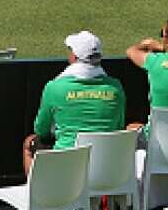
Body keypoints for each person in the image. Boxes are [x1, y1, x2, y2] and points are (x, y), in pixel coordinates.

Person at [24, 31, 126, 174]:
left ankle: (35, 194)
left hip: (66, 169)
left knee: (29, 143)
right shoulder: (116, 88)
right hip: (106, 170)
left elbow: (41, 130)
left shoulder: (54, 87)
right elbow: (118, 127)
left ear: (74, 56)